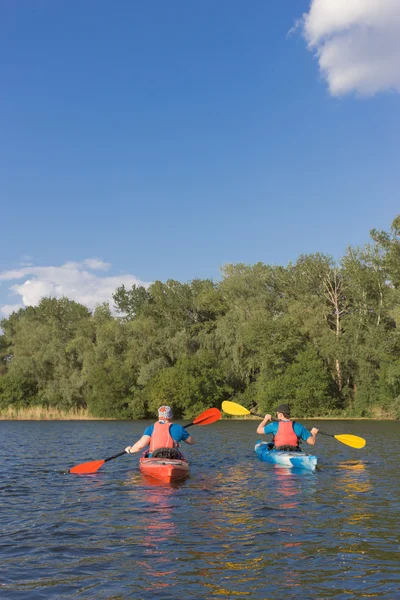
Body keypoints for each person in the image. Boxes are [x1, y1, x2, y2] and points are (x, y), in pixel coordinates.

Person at [125, 405, 195, 458]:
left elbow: (139, 446)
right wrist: (181, 433)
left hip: (154, 458)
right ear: (171, 416)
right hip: (173, 458)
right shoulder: (179, 428)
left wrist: (130, 450)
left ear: (159, 416)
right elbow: (192, 442)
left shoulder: (151, 428)